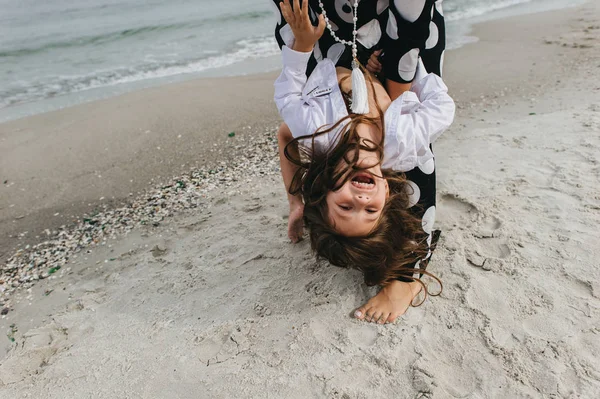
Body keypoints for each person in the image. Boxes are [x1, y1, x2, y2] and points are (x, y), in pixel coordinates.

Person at [274, 0, 455, 323]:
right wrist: (413, 76)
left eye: (346, 207)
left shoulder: (320, 137)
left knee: (296, 17)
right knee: (408, 45)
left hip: (322, 49)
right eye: (371, 209)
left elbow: (287, 102)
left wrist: (295, 202)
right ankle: (404, 277)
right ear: (387, 193)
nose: (361, 200)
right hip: (399, 48)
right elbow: (442, 108)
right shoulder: (401, 147)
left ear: (326, 190)